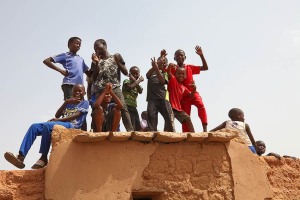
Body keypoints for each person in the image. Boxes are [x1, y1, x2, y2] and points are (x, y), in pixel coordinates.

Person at [4, 84, 89, 169]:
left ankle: (43, 157)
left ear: (84, 93)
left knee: (48, 126)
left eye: (79, 91)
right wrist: (66, 102)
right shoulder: (69, 102)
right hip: (61, 123)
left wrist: (57, 120)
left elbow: (76, 115)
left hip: (72, 125)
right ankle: (21, 156)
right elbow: (57, 114)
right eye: (75, 91)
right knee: (34, 127)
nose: (77, 92)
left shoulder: (84, 103)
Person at [90, 39, 134, 132]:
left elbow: (125, 72)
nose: (95, 49)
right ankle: (96, 131)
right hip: (101, 89)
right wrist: (97, 63)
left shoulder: (115, 56)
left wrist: (118, 62)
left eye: (97, 46)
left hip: (115, 87)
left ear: (104, 44)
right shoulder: (96, 60)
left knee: (122, 107)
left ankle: (130, 130)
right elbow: (93, 78)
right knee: (97, 109)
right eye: (94, 48)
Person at [171, 46, 208, 132]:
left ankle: (205, 130)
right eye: (178, 55)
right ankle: (188, 136)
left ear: (185, 57)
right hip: (182, 97)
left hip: (193, 92)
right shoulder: (173, 68)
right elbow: (163, 70)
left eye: (181, 55)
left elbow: (205, 68)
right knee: (186, 117)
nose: (180, 57)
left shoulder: (189, 67)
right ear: (174, 58)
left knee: (201, 106)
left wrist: (201, 55)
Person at [146, 53, 175, 132]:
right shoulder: (152, 72)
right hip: (152, 99)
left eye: (165, 62)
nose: (163, 62)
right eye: (161, 61)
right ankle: (153, 134)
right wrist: (154, 67)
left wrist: (157, 68)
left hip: (163, 98)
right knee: (152, 116)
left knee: (168, 117)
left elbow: (162, 81)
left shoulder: (166, 73)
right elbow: (147, 75)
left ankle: (171, 133)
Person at [166, 62, 196, 132]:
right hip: (170, 106)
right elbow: (169, 74)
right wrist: (169, 66)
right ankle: (169, 133)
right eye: (179, 74)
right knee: (170, 121)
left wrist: (194, 89)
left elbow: (191, 96)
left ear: (185, 76)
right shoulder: (173, 80)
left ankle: (194, 134)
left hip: (178, 108)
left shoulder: (184, 88)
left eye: (183, 74)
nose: (181, 75)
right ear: (175, 74)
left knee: (187, 118)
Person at [122, 66, 144, 131]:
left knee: (138, 126)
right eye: (133, 74)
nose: (135, 75)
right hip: (126, 106)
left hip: (133, 107)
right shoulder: (126, 81)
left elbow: (140, 91)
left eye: (137, 74)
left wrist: (135, 80)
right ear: (130, 74)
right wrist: (139, 80)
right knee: (131, 125)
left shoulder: (138, 86)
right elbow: (130, 87)